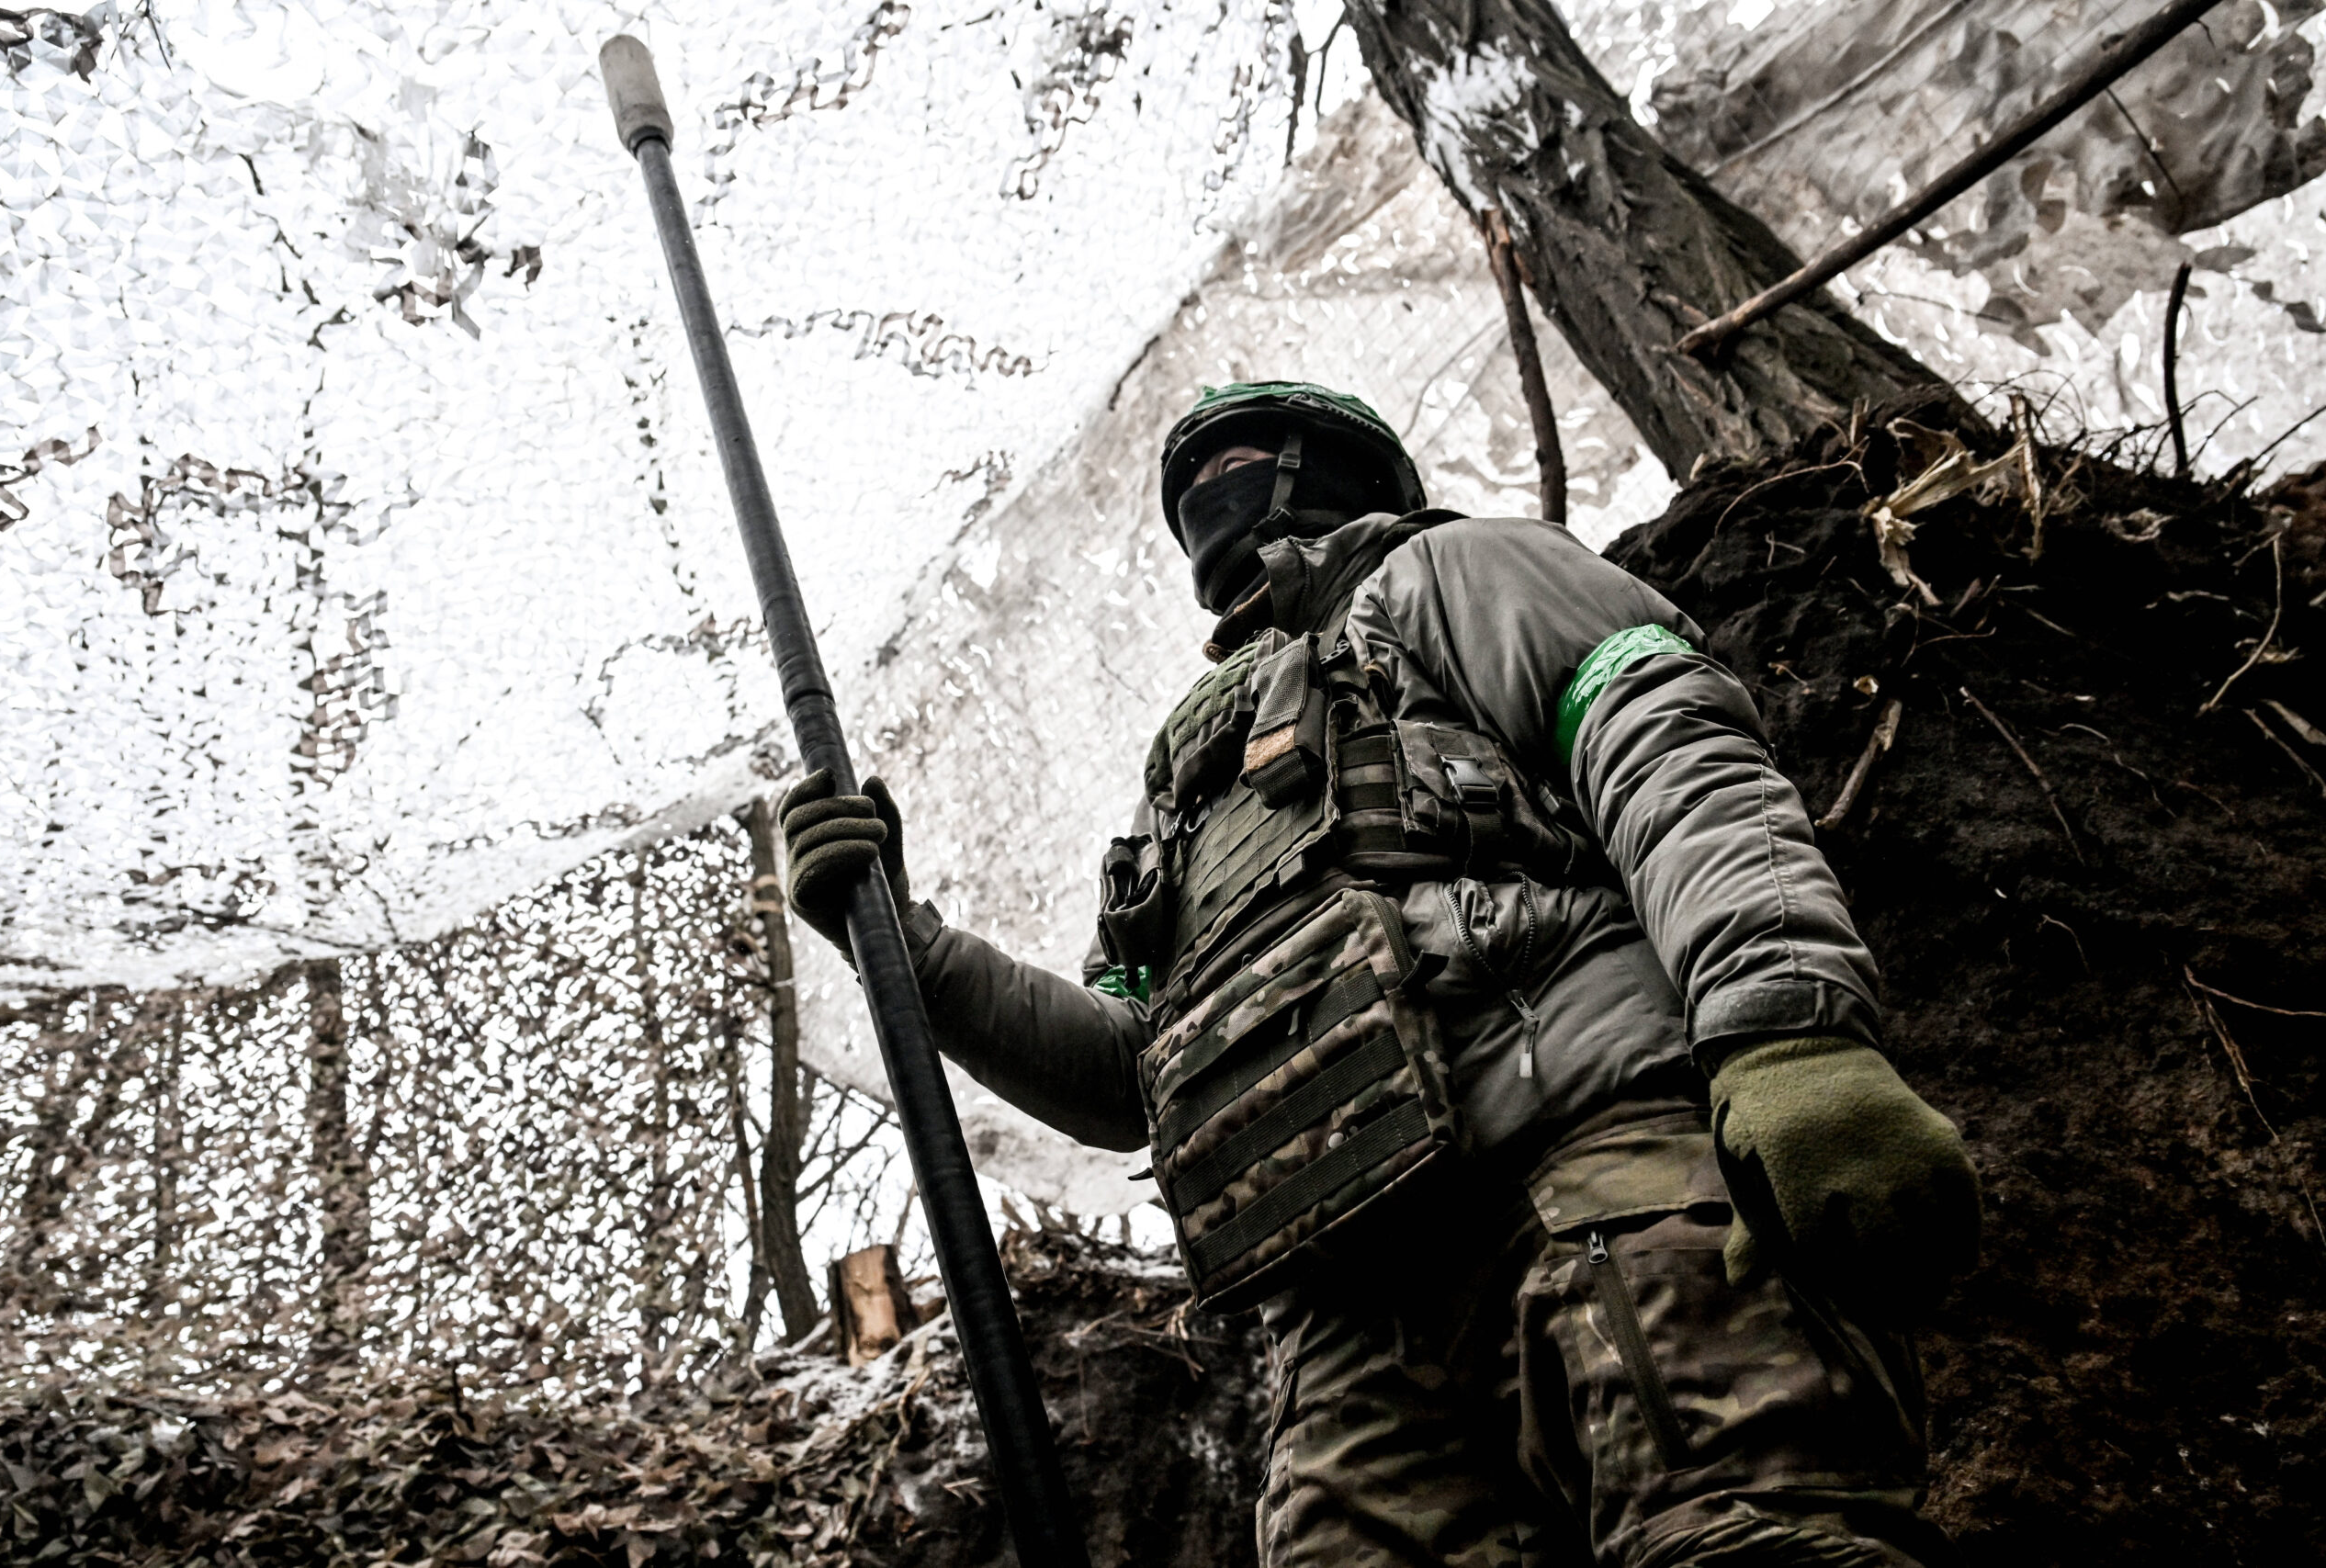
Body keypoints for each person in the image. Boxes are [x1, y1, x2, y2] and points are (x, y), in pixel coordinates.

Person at [780, 381, 1981, 1568]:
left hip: (1590, 1169)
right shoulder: (1179, 799)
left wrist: (1786, 1032)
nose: (1217, 501)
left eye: (1246, 464)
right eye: (1192, 491)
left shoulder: (1459, 574)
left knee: (1744, 1541)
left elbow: (1666, 750)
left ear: (1344, 470)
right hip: (1342, 1317)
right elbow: (1126, 1073)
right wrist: (914, 955)